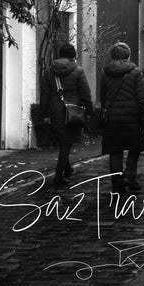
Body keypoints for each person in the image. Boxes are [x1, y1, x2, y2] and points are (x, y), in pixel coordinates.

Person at [40, 42, 94, 188]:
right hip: (72, 110)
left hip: (55, 110)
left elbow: (44, 95)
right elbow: (85, 93)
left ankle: (68, 168)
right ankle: (59, 174)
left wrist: (43, 113)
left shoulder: (50, 71)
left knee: (63, 139)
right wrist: (90, 110)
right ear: (73, 56)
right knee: (67, 142)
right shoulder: (78, 70)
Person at [100, 41, 144, 194]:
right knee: (135, 147)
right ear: (128, 55)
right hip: (132, 117)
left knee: (115, 151)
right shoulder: (135, 72)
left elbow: (103, 96)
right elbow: (142, 98)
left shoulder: (106, 72)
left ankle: (117, 182)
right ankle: (130, 175)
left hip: (113, 118)